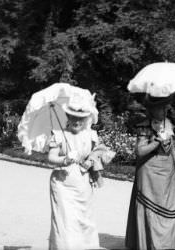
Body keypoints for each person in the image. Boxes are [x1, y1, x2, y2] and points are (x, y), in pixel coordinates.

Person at [46, 97, 108, 250]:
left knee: (83, 220)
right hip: (62, 184)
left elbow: (99, 153)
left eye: (80, 118)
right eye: (73, 117)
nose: (77, 121)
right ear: (68, 117)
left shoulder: (91, 135)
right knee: (64, 220)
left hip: (82, 183)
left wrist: (91, 160)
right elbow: (51, 157)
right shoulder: (59, 134)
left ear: (86, 118)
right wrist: (65, 159)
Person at [125, 94, 175, 250]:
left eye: (166, 107)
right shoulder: (144, 126)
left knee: (169, 209)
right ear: (152, 109)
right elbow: (139, 151)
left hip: (167, 175)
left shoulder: (168, 124)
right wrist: (157, 139)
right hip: (149, 174)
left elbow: (171, 148)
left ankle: (167, 245)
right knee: (151, 210)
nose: (165, 110)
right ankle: (150, 244)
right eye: (161, 107)